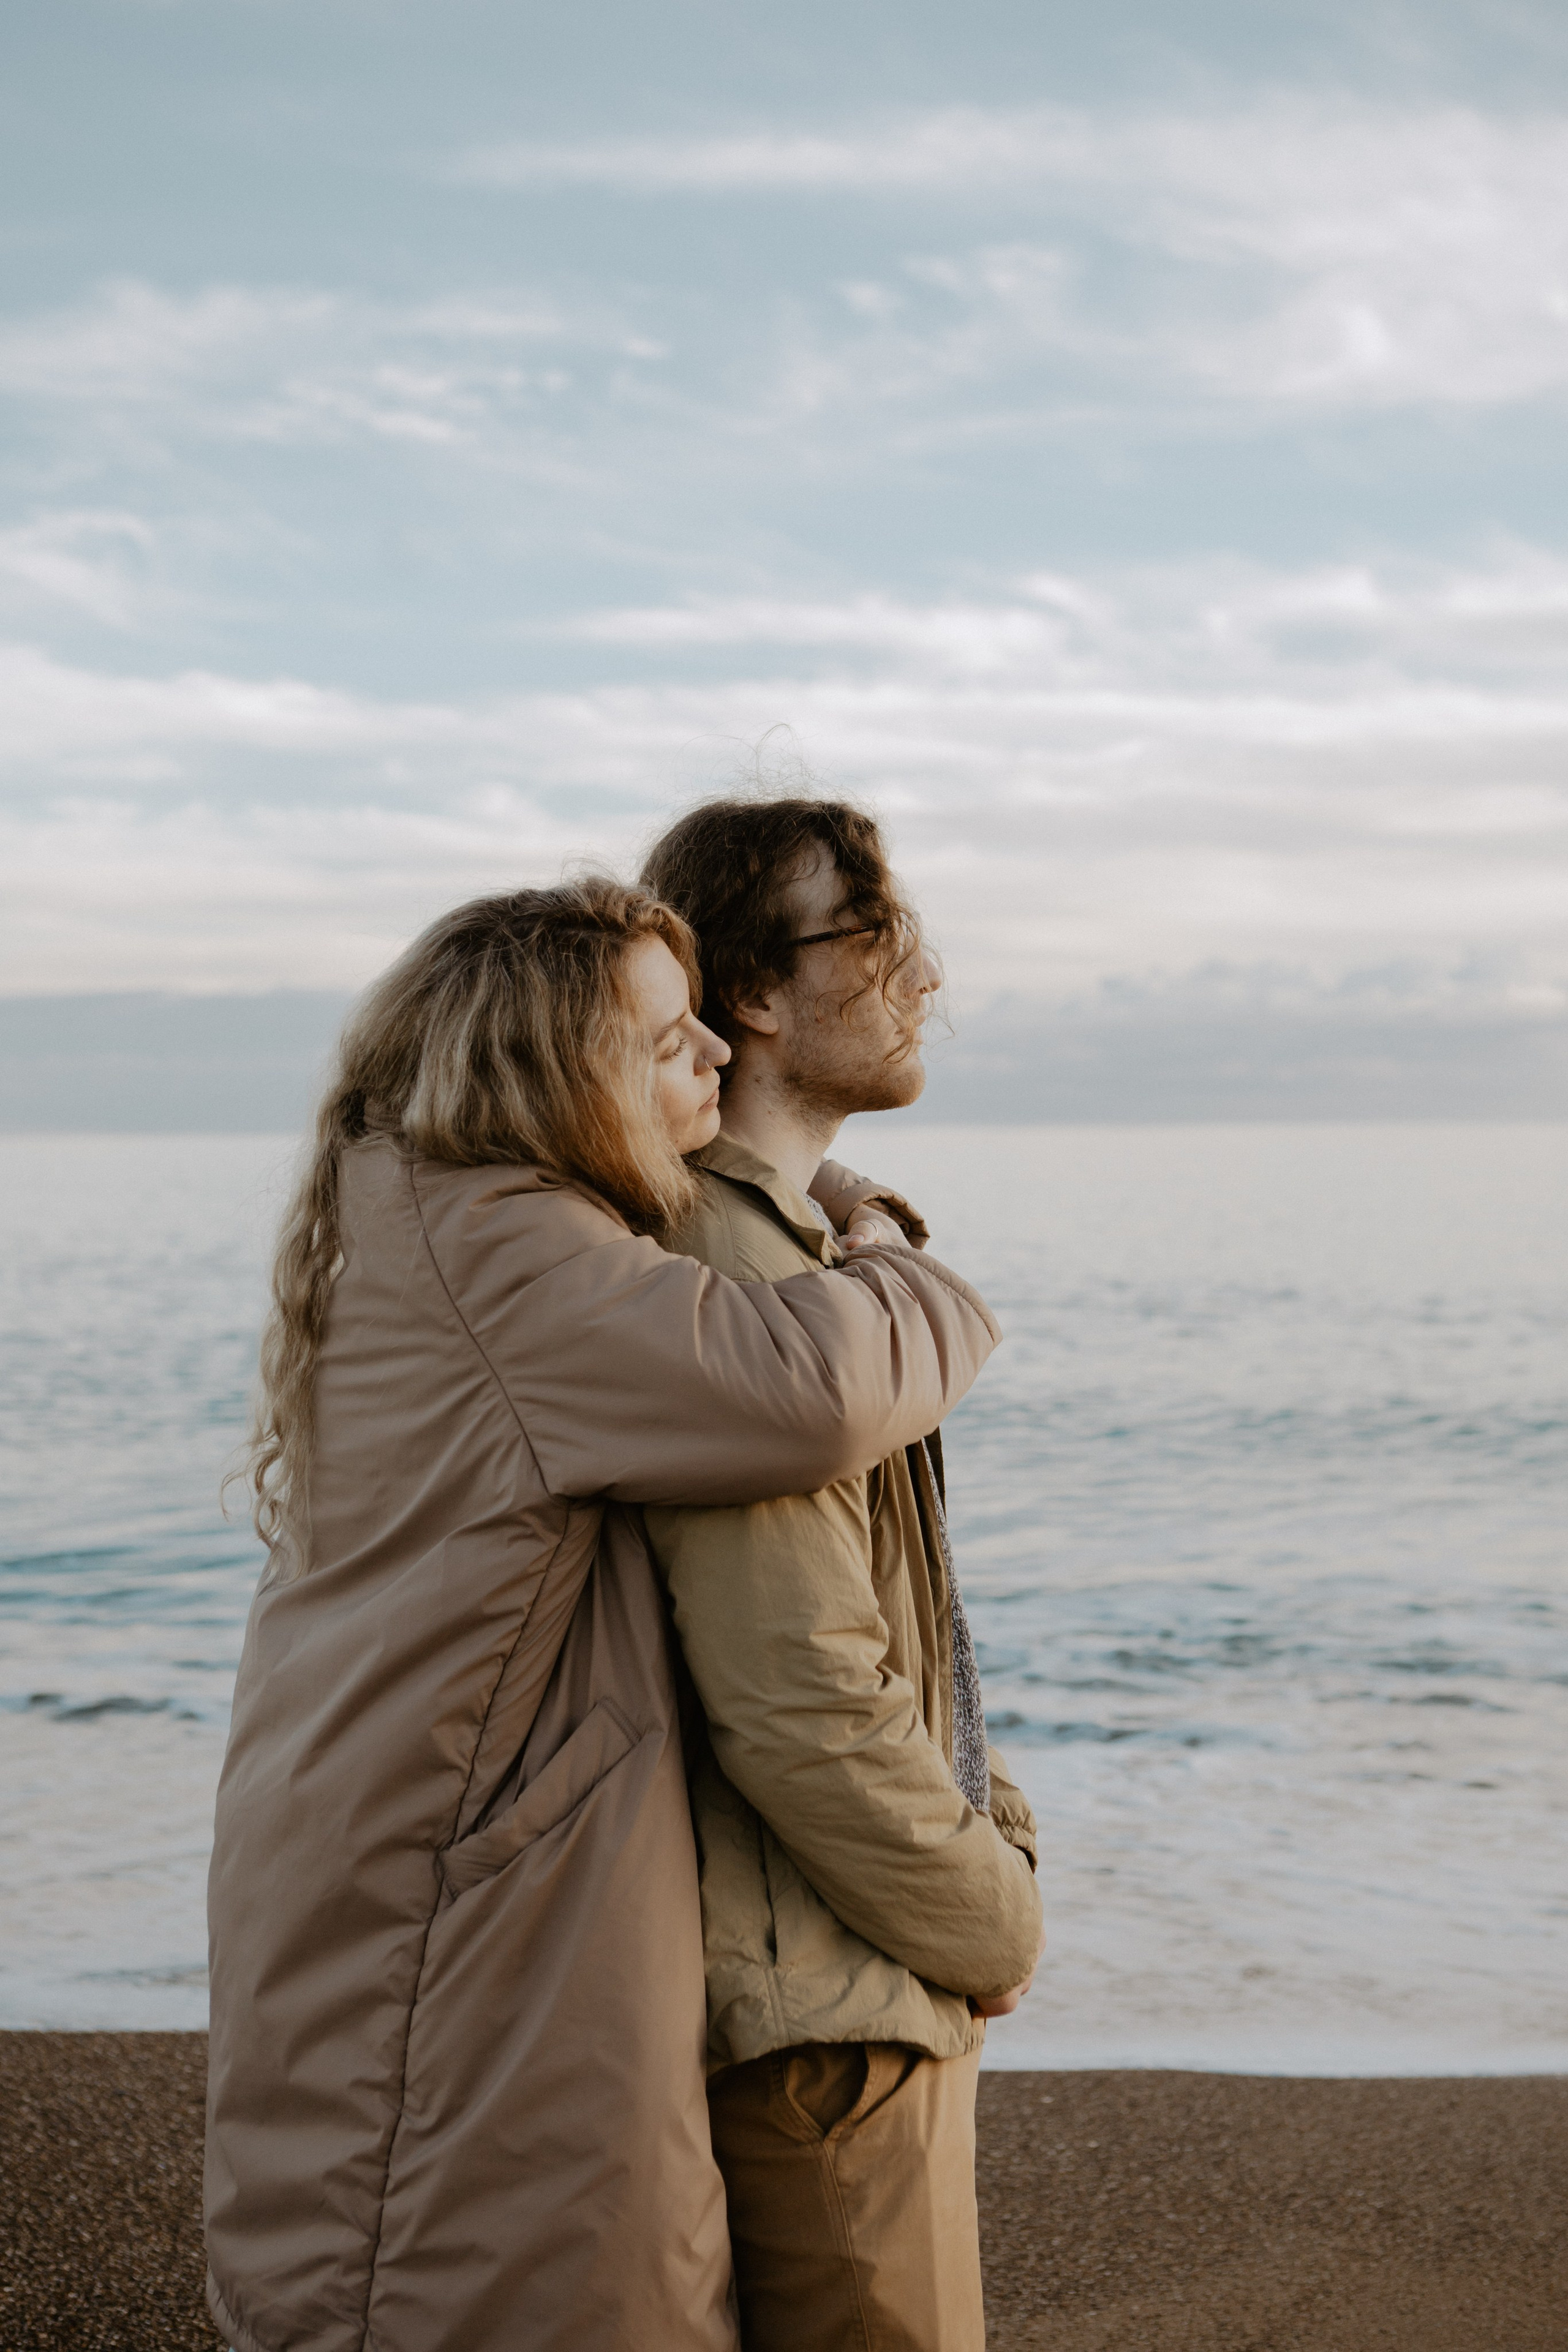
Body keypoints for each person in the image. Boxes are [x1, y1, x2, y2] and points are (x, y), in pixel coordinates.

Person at [205, 878, 1005, 2352]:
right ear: (547, 1068)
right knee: (476, 2266)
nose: (709, 1054)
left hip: (430, 1849)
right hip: (457, 1899)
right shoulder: (504, 1242)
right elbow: (811, 1389)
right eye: (662, 1036)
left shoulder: (446, 1213)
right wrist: (892, 1247)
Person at [639, 800, 1044, 2352]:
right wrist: (991, 1922)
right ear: (751, 989)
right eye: (874, 934)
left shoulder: (799, 1253)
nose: (921, 974)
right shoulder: (732, 1273)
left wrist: (992, 1844)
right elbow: (799, 1696)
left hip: (862, 1975)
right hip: (826, 2015)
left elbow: (899, 1620)